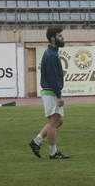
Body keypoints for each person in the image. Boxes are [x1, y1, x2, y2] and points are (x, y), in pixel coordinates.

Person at [29, 27, 70, 159]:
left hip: (50, 91)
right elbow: (52, 77)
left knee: (59, 121)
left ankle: (36, 141)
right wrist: (58, 96)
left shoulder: (52, 53)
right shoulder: (51, 55)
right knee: (54, 122)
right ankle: (53, 153)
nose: (62, 37)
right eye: (59, 36)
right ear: (53, 38)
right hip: (51, 92)